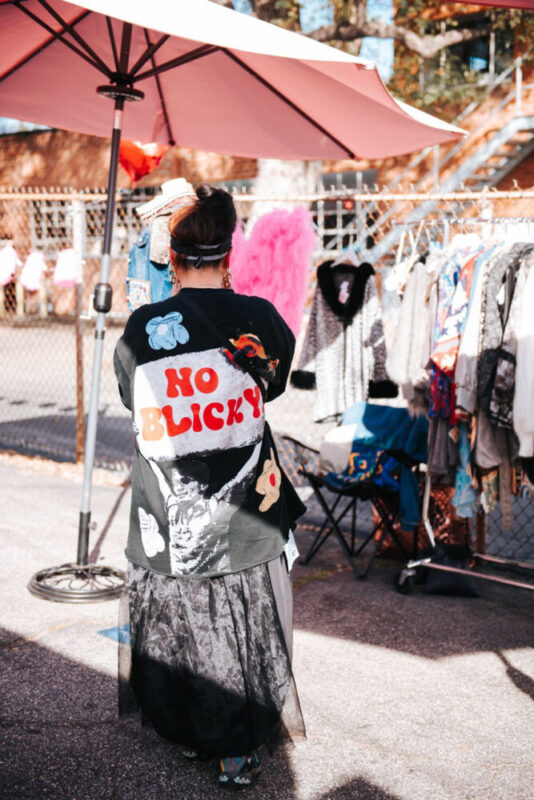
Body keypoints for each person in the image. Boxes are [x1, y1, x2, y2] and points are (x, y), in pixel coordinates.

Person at [114, 184, 305, 788]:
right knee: (244, 619)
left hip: (170, 505)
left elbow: (130, 398)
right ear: (230, 255)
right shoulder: (261, 320)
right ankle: (237, 747)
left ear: (170, 257)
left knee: (178, 616)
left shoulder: (142, 329)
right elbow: (273, 388)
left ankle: (192, 731)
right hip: (246, 505)